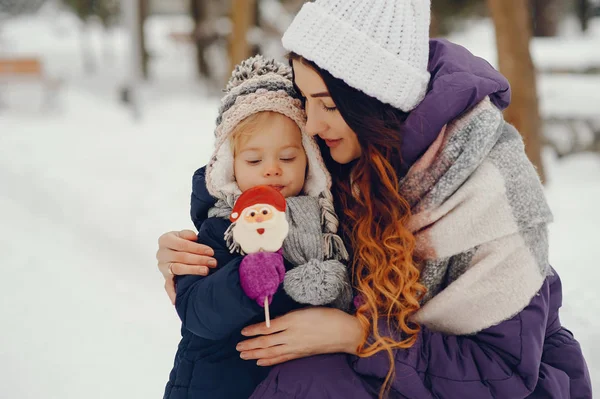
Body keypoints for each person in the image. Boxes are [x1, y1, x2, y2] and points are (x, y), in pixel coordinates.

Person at [157, 1, 592, 398]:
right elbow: (246, 174)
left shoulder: (492, 191)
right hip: (394, 376)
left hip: (505, 386)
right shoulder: (342, 147)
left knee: (308, 381)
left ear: (372, 100)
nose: (309, 126)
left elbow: (503, 372)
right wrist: (194, 254)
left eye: (326, 104)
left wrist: (358, 336)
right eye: (305, 101)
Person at [163, 55, 353, 399]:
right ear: (229, 165)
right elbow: (196, 312)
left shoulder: (327, 225)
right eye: (254, 160)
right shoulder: (221, 226)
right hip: (219, 384)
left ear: (309, 159)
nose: (272, 170)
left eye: (287, 158)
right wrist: (243, 281)